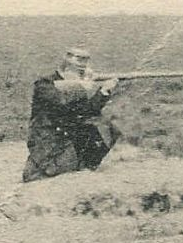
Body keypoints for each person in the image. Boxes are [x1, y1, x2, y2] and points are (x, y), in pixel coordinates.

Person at [21, 47, 122, 182]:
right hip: (48, 140)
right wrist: (83, 85)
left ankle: (82, 169)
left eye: (85, 62)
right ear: (66, 63)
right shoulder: (45, 84)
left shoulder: (77, 88)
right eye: (78, 61)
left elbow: (88, 111)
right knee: (44, 174)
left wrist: (103, 92)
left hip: (68, 136)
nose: (82, 66)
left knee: (108, 129)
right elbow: (62, 102)